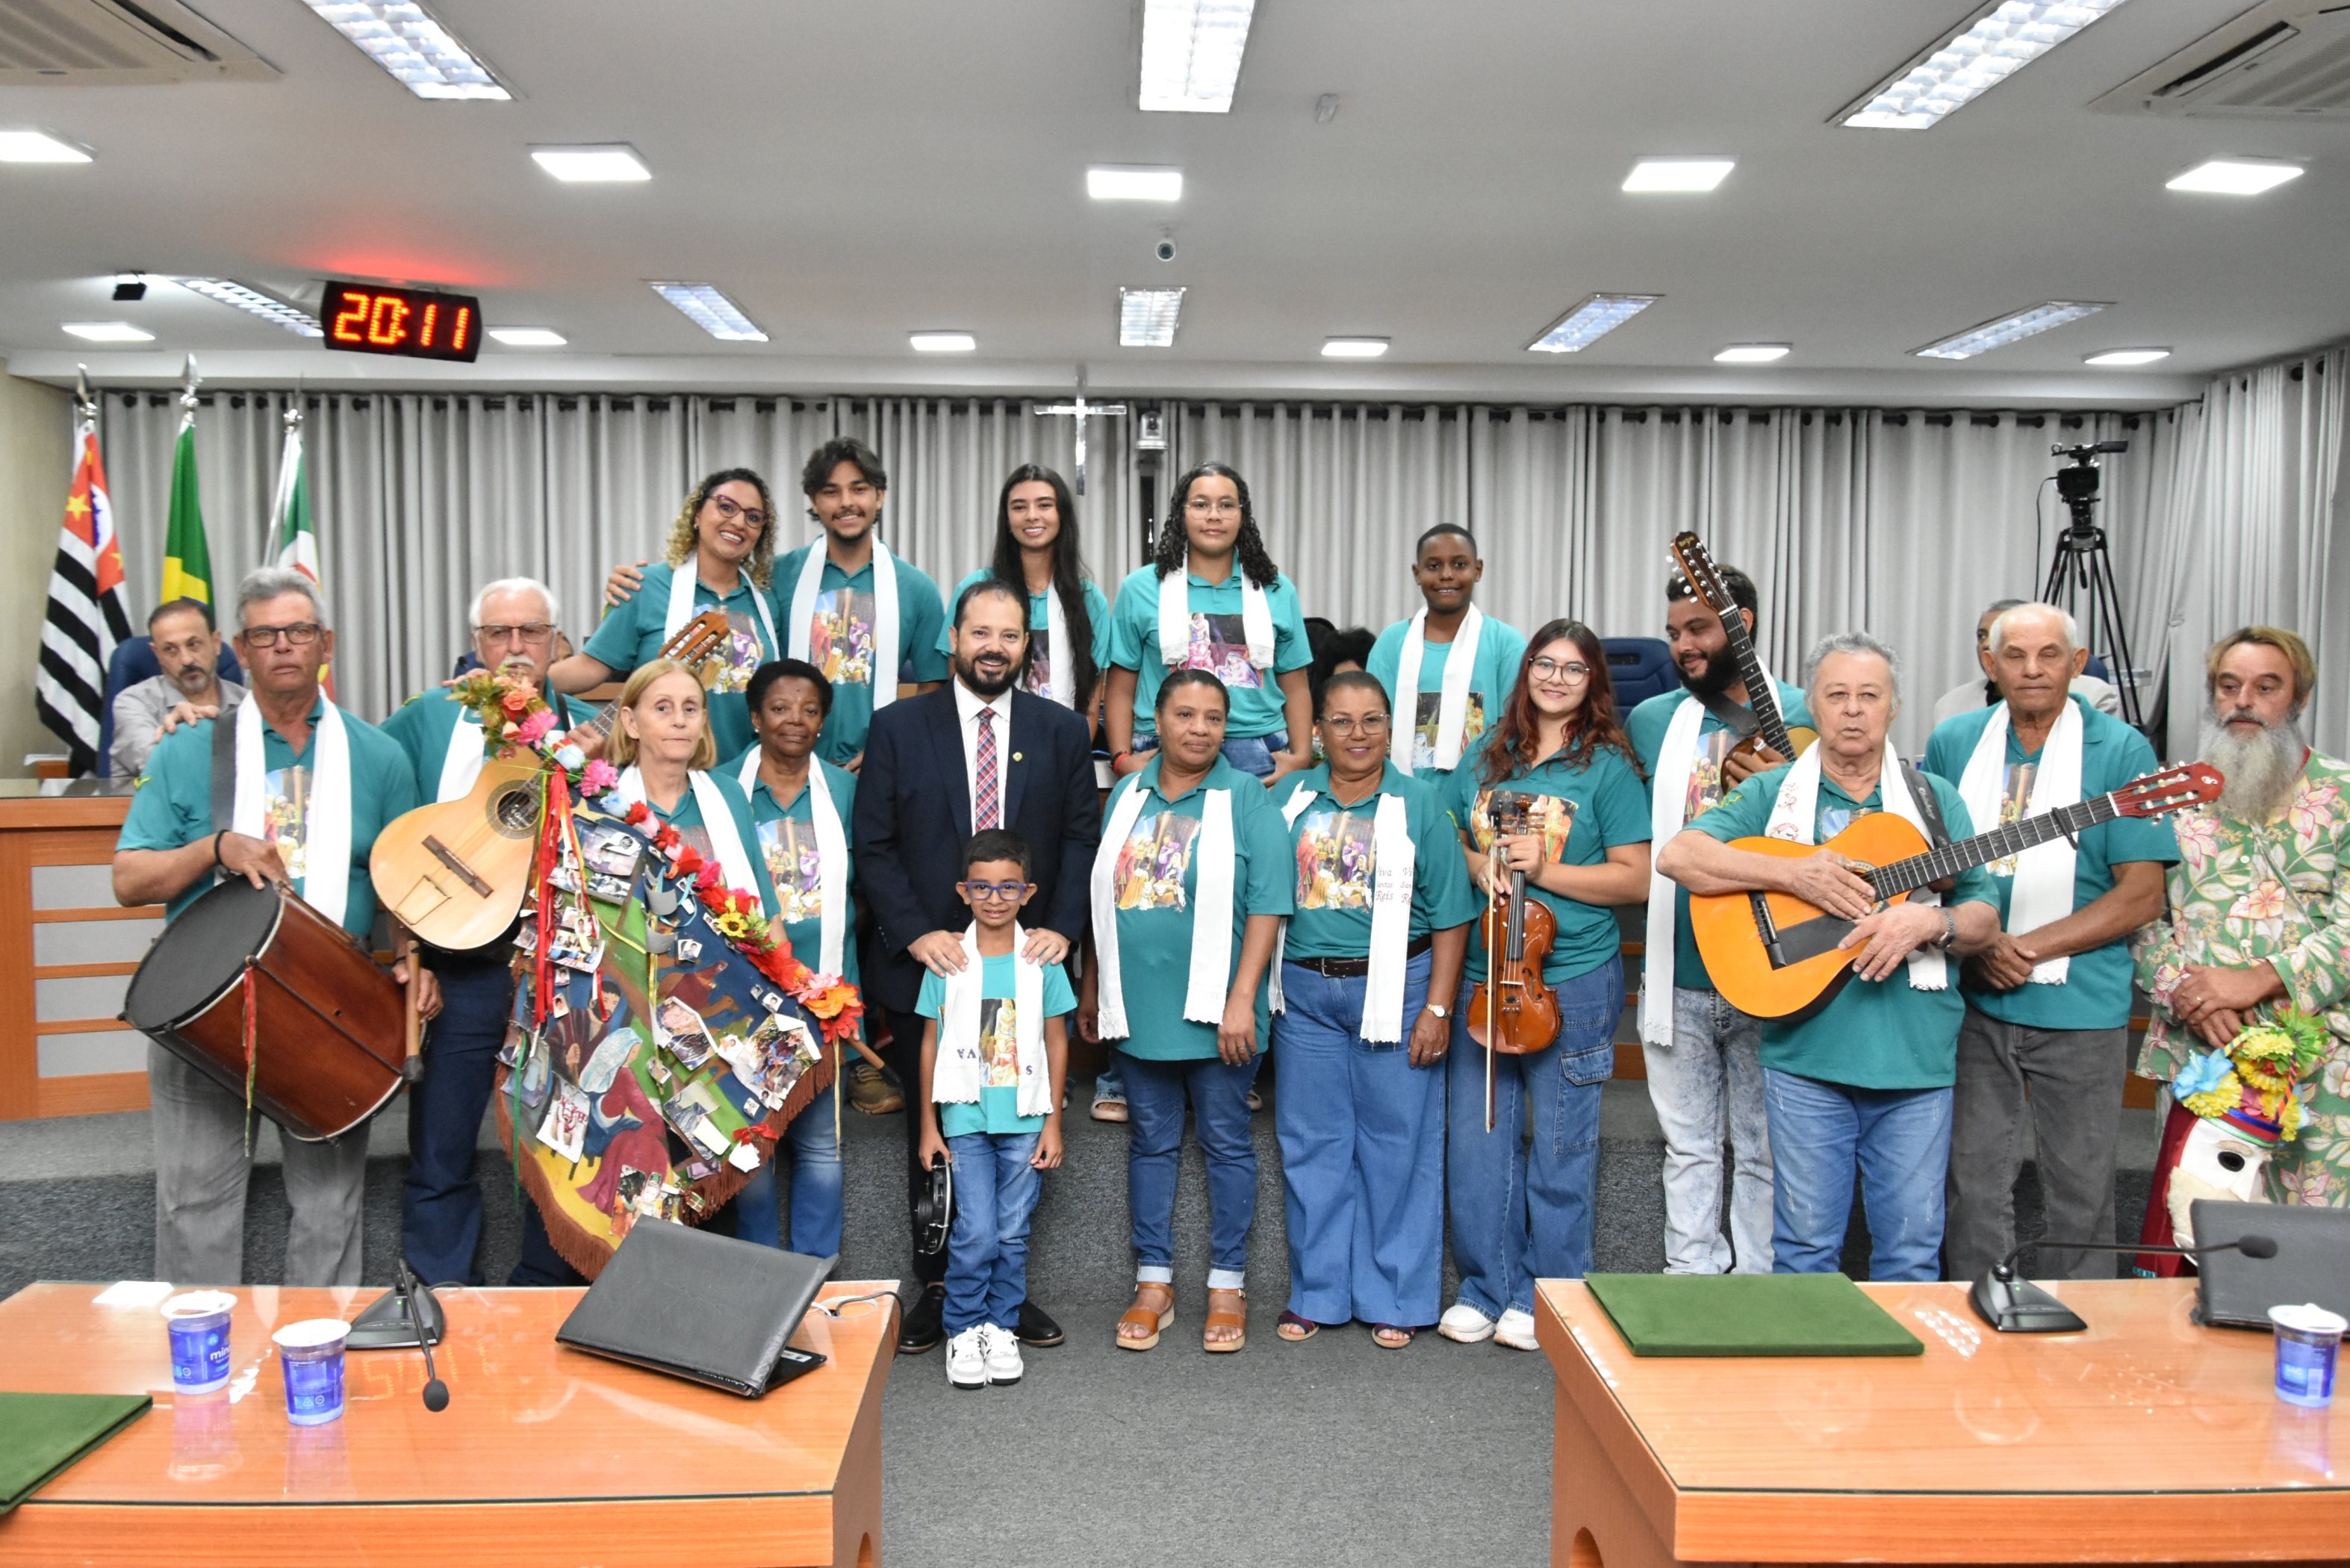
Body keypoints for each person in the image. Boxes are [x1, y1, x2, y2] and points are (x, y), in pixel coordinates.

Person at [113, 566, 437, 1286]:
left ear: (326, 643)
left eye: (298, 631)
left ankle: (317, 1353)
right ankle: (201, 1356)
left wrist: (414, 960)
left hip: (330, 1007)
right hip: (208, 1006)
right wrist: (213, 848)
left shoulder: (379, 757)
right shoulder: (189, 748)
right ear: (240, 650)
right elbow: (129, 879)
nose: (283, 645)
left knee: (329, 1210)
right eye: (264, 635)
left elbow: (406, 891)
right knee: (195, 1206)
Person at [1656, 633, 2001, 1281]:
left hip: (1915, 1063)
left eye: (1868, 695)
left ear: (1894, 707)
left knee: (1911, 1254)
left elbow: (1983, 915)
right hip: (1805, 1058)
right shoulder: (1771, 793)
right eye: (1836, 695)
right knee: (1804, 1253)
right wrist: (1794, 875)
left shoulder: (1935, 801)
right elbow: (1680, 857)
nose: (1852, 710)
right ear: (1811, 706)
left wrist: (1933, 919)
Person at [853, 579, 1099, 1354]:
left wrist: (1062, 929)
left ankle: (1005, 1292)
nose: (994, 647)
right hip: (932, 966)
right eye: (980, 633)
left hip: (1024, 968)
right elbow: (874, 845)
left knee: (1019, 1124)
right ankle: (939, 1284)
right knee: (937, 1128)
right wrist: (914, 934)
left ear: (1027, 646)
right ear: (953, 640)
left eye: (1010, 635)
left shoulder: (1061, 730)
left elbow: (1081, 840)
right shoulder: (897, 727)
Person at [1925, 603, 2175, 1284]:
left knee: (2081, 1191)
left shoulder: (2121, 749)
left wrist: (2021, 947)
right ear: (1989, 663)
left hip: (2080, 1005)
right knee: (1971, 1183)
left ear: (2077, 662)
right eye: (2014, 655)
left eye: (2048, 655)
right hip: (1972, 999)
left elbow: (2141, 895)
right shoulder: (1953, 741)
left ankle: (2084, 1328)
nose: (2031, 670)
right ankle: (1975, 1317)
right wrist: (1979, 945)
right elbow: (1932, 870)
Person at [1442, 623, 1650, 1347]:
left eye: (1573, 668)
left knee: (1561, 1147)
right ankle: (1486, 1286)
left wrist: (1547, 869)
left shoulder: (1608, 768)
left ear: (1593, 683)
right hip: (1485, 978)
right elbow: (1450, 835)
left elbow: (1636, 878)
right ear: (1526, 669)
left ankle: (1548, 1295)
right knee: (1480, 1145)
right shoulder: (1486, 753)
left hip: (1570, 980)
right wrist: (1477, 864)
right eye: (1544, 663)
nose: (1556, 678)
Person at [381, 576, 588, 1287]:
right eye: (499, 633)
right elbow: (383, 812)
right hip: (460, 962)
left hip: (557, 968)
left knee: (556, 1140)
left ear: (557, 642)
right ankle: (438, 1291)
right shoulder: (428, 718)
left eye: (532, 631)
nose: (516, 646)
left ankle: (547, 1289)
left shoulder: (586, 728)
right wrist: (407, 948)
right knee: (441, 1138)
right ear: (476, 643)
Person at [1083, 670, 1290, 1353]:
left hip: (1220, 1011)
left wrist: (1241, 1000)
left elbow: (1268, 905)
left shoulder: (1247, 797)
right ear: (1158, 720)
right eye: (1185, 715)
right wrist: (1094, 985)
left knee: (1226, 1142)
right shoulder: (1127, 795)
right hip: (1137, 1004)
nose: (1199, 729)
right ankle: (1154, 1281)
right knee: (1151, 1142)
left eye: (1213, 717)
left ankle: (1227, 1284)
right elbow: (1104, 898)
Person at [1272, 671, 1478, 1348]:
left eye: (1371, 720)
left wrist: (1439, 1009)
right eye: (1340, 721)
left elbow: (1452, 915)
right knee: (1312, 1145)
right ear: (1317, 732)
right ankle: (1318, 1293)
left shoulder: (1421, 803)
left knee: (1398, 1145)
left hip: (1398, 988)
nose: (1356, 734)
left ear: (1390, 728)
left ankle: (1396, 1296)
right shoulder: (1288, 799)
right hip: (1304, 995)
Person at [1624, 562, 1812, 1277]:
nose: (1683, 645)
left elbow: (1841, 841)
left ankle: (1759, 1285)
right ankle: (1690, 1279)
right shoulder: (1650, 721)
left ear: (1742, 623)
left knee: (1765, 1147)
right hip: (1677, 963)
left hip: (1772, 963)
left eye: (1698, 628)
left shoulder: (1805, 714)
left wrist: (1783, 792)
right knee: (1688, 1145)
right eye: (1673, 632)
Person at [2135, 627, 2350, 1244]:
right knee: (2195, 1237)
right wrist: (2192, 997)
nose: (2243, 702)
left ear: (2299, 699)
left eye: (2265, 687)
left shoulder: (2341, 795)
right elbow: (2138, 916)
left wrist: (2255, 980)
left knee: (2314, 1245)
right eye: (2228, 687)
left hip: (2321, 1065)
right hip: (2200, 1053)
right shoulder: (2167, 796)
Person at [916, 829, 1076, 1389]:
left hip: (1026, 1120)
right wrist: (928, 1126)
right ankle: (963, 1327)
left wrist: (1054, 1122)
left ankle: (1000, 1325)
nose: (995, 898)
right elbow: (931, 1044)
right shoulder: (948, 962)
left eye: (1009, 887)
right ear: (963, 892)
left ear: (1028, 893)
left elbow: (1056, 1041)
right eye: (982, 887)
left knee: (1011, 1232)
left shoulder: (1042, 962)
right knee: (977, 1231)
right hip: (966, 1119)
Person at [720, 658, 857, 1253]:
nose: (794, 720)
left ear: (823, 721)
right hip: (742, 995)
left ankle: (814, 1272)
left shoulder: (845, 790)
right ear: (755, 717)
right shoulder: (720, 791)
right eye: (778, 708)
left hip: (825, 993)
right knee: (752, 1143)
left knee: (821, 1145)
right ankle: (756, 1273)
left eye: (808, 709)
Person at [1104, 462, 1314, 785]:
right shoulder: (1140, 588)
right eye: (1201, 505)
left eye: (1227, 505)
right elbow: (1120, 687)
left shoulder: (1276, 589)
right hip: (1163, 748)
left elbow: (1296, 684)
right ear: (1181, 514)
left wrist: (1301, 757)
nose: (1214, 515)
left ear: (1243, 515)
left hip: (1259, 750)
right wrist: (1121, 758)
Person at [556, 468, 783, 762]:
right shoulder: (645, 586)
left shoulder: (766, 602)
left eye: (753, 517)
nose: (739, 522)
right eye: (726, 507)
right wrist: (515, 685)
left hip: (746, 771)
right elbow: (590, 667)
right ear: (697, 514)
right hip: (663, 771)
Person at [777, 438, 948, 768]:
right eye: (831, 492)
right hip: (788, 766)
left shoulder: (918, 589)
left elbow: (935, 688)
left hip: (881, 766)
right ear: (814, 501)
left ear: (879, 496)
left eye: (858, 489)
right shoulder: (779, 576)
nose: (846, 503)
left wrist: (889, 750)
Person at [936, 464, 1111, 732]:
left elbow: (1089, 703)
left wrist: (1073, 752)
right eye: (1019, 507)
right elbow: (956, 685)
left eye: (1044, 505)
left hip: (1062, 743)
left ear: (1062, 514)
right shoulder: (976, 590)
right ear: (1007, 519)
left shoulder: (1090, 600)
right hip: (984, 742)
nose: (1032, 516)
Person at [1365, 525, 1528, 783]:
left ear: (1478, 570)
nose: (1447, 575)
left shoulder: (1507, 644)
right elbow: (1374, 727)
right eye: (1434, 566)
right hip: (1403, 791)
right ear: (1417, 574)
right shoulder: (1391, 643)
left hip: (1481, 789)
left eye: (1460, 564)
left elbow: (1514, 730)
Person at [1929, 597, 2122, 727]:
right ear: (1991, 663)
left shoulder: (2093, 696)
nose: (1987, 644)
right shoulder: (1951, 705)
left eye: (1997, 634)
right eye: (1982, 635)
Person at [111, 597, 245, 780]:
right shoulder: (132, 703)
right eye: (170, 649)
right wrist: (183, 733)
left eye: (193, 644)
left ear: (216, 643)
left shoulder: (248, 703)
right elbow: (162, 768)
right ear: (157, 654)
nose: (187, 660)